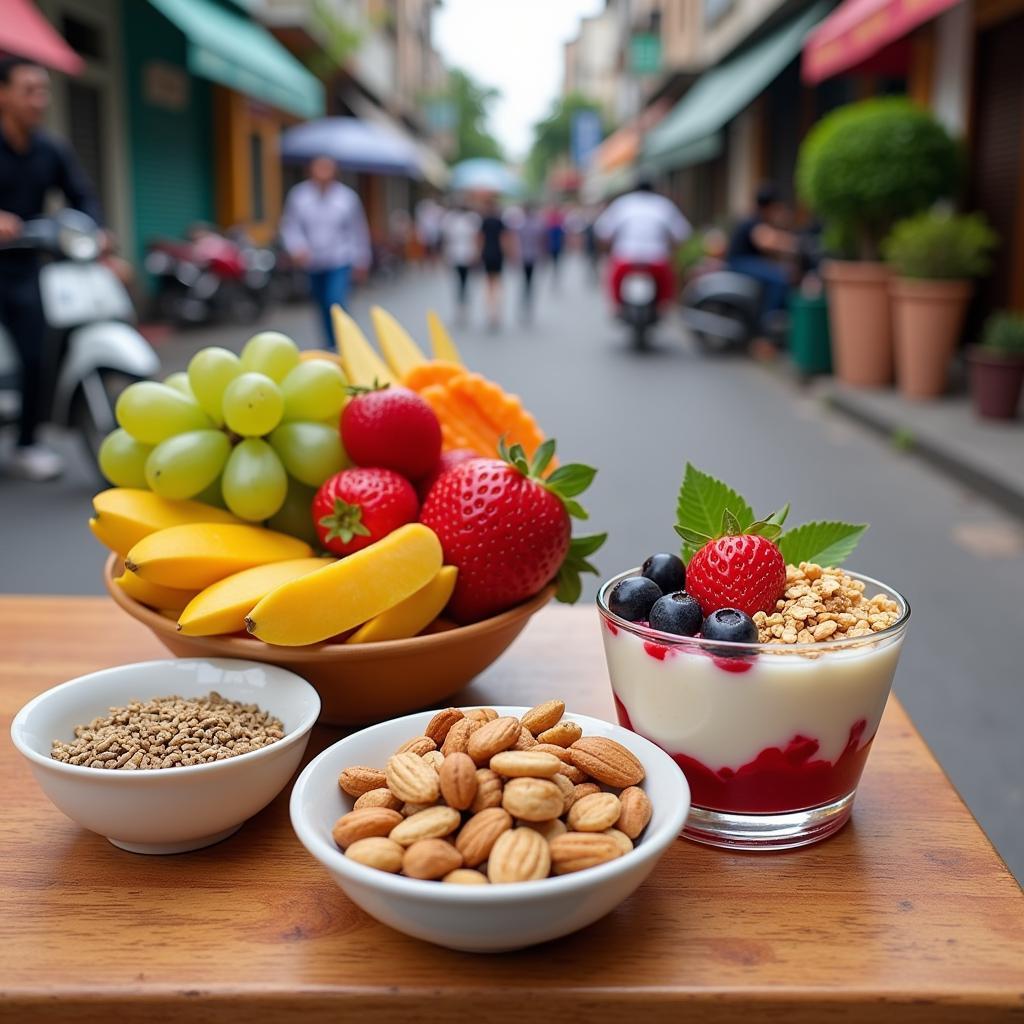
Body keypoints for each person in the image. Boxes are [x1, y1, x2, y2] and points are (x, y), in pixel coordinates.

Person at [0, 56, 104, 481]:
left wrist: (97, 232)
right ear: (3, 94)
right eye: (29, 90)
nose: (39, 100)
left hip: (27, 268)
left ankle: (27, 442)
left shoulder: (51, 149)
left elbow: (84, 197)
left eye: (43, 90)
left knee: (35, 353)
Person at [280, 155, 371, 347]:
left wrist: (362, 260)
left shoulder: (346, 198)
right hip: (313, 261)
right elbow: (290, 226)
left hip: (339, 259)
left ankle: (346, 343)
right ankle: (330, 345)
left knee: (335, 301)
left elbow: (358, 230)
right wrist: (297, 247)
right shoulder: (299, 196)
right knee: (321, 305)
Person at [594, 179, 691, 309]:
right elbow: (683, 233)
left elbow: (602, 230)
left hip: (625, 256)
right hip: (656, 257)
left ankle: (617, 307)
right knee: (667, 284)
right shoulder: (663, 204)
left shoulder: (623, 203)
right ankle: (664, 307)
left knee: (613, 278)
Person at [726, 182, 798, 323]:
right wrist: (794, 242)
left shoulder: (758, 218)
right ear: (770, 206)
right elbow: (766, 240)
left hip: (744, 261)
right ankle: (768, 324)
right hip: (739, 262)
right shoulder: (755, 220)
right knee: (779, 278)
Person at [440, 198, 481, 326]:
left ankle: (463, 305)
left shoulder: (471, 219)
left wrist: (476, 254)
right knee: (459, 282)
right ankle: (460, 305)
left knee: (464, 281)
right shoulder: (450, 219)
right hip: (455, 254)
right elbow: (446, 239)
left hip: (467, 254)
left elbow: (475, 238)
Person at [507, 202, 545, 321]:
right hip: (532, 256)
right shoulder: (536, 225)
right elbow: (541, 241)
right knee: (529, 281)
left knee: (525, 281)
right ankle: (528, 301)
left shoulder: (521, 225)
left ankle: (525, 300)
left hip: (524, 256)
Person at [478, 196, 507, 330]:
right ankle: (496, 312)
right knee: (497, 283)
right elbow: (504, 239)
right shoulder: (500, 221)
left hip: (487, 254)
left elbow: (480, 239)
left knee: (489, 284)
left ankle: (491, 311)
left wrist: (479, 253)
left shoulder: (484, 222)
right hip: (498, 255)